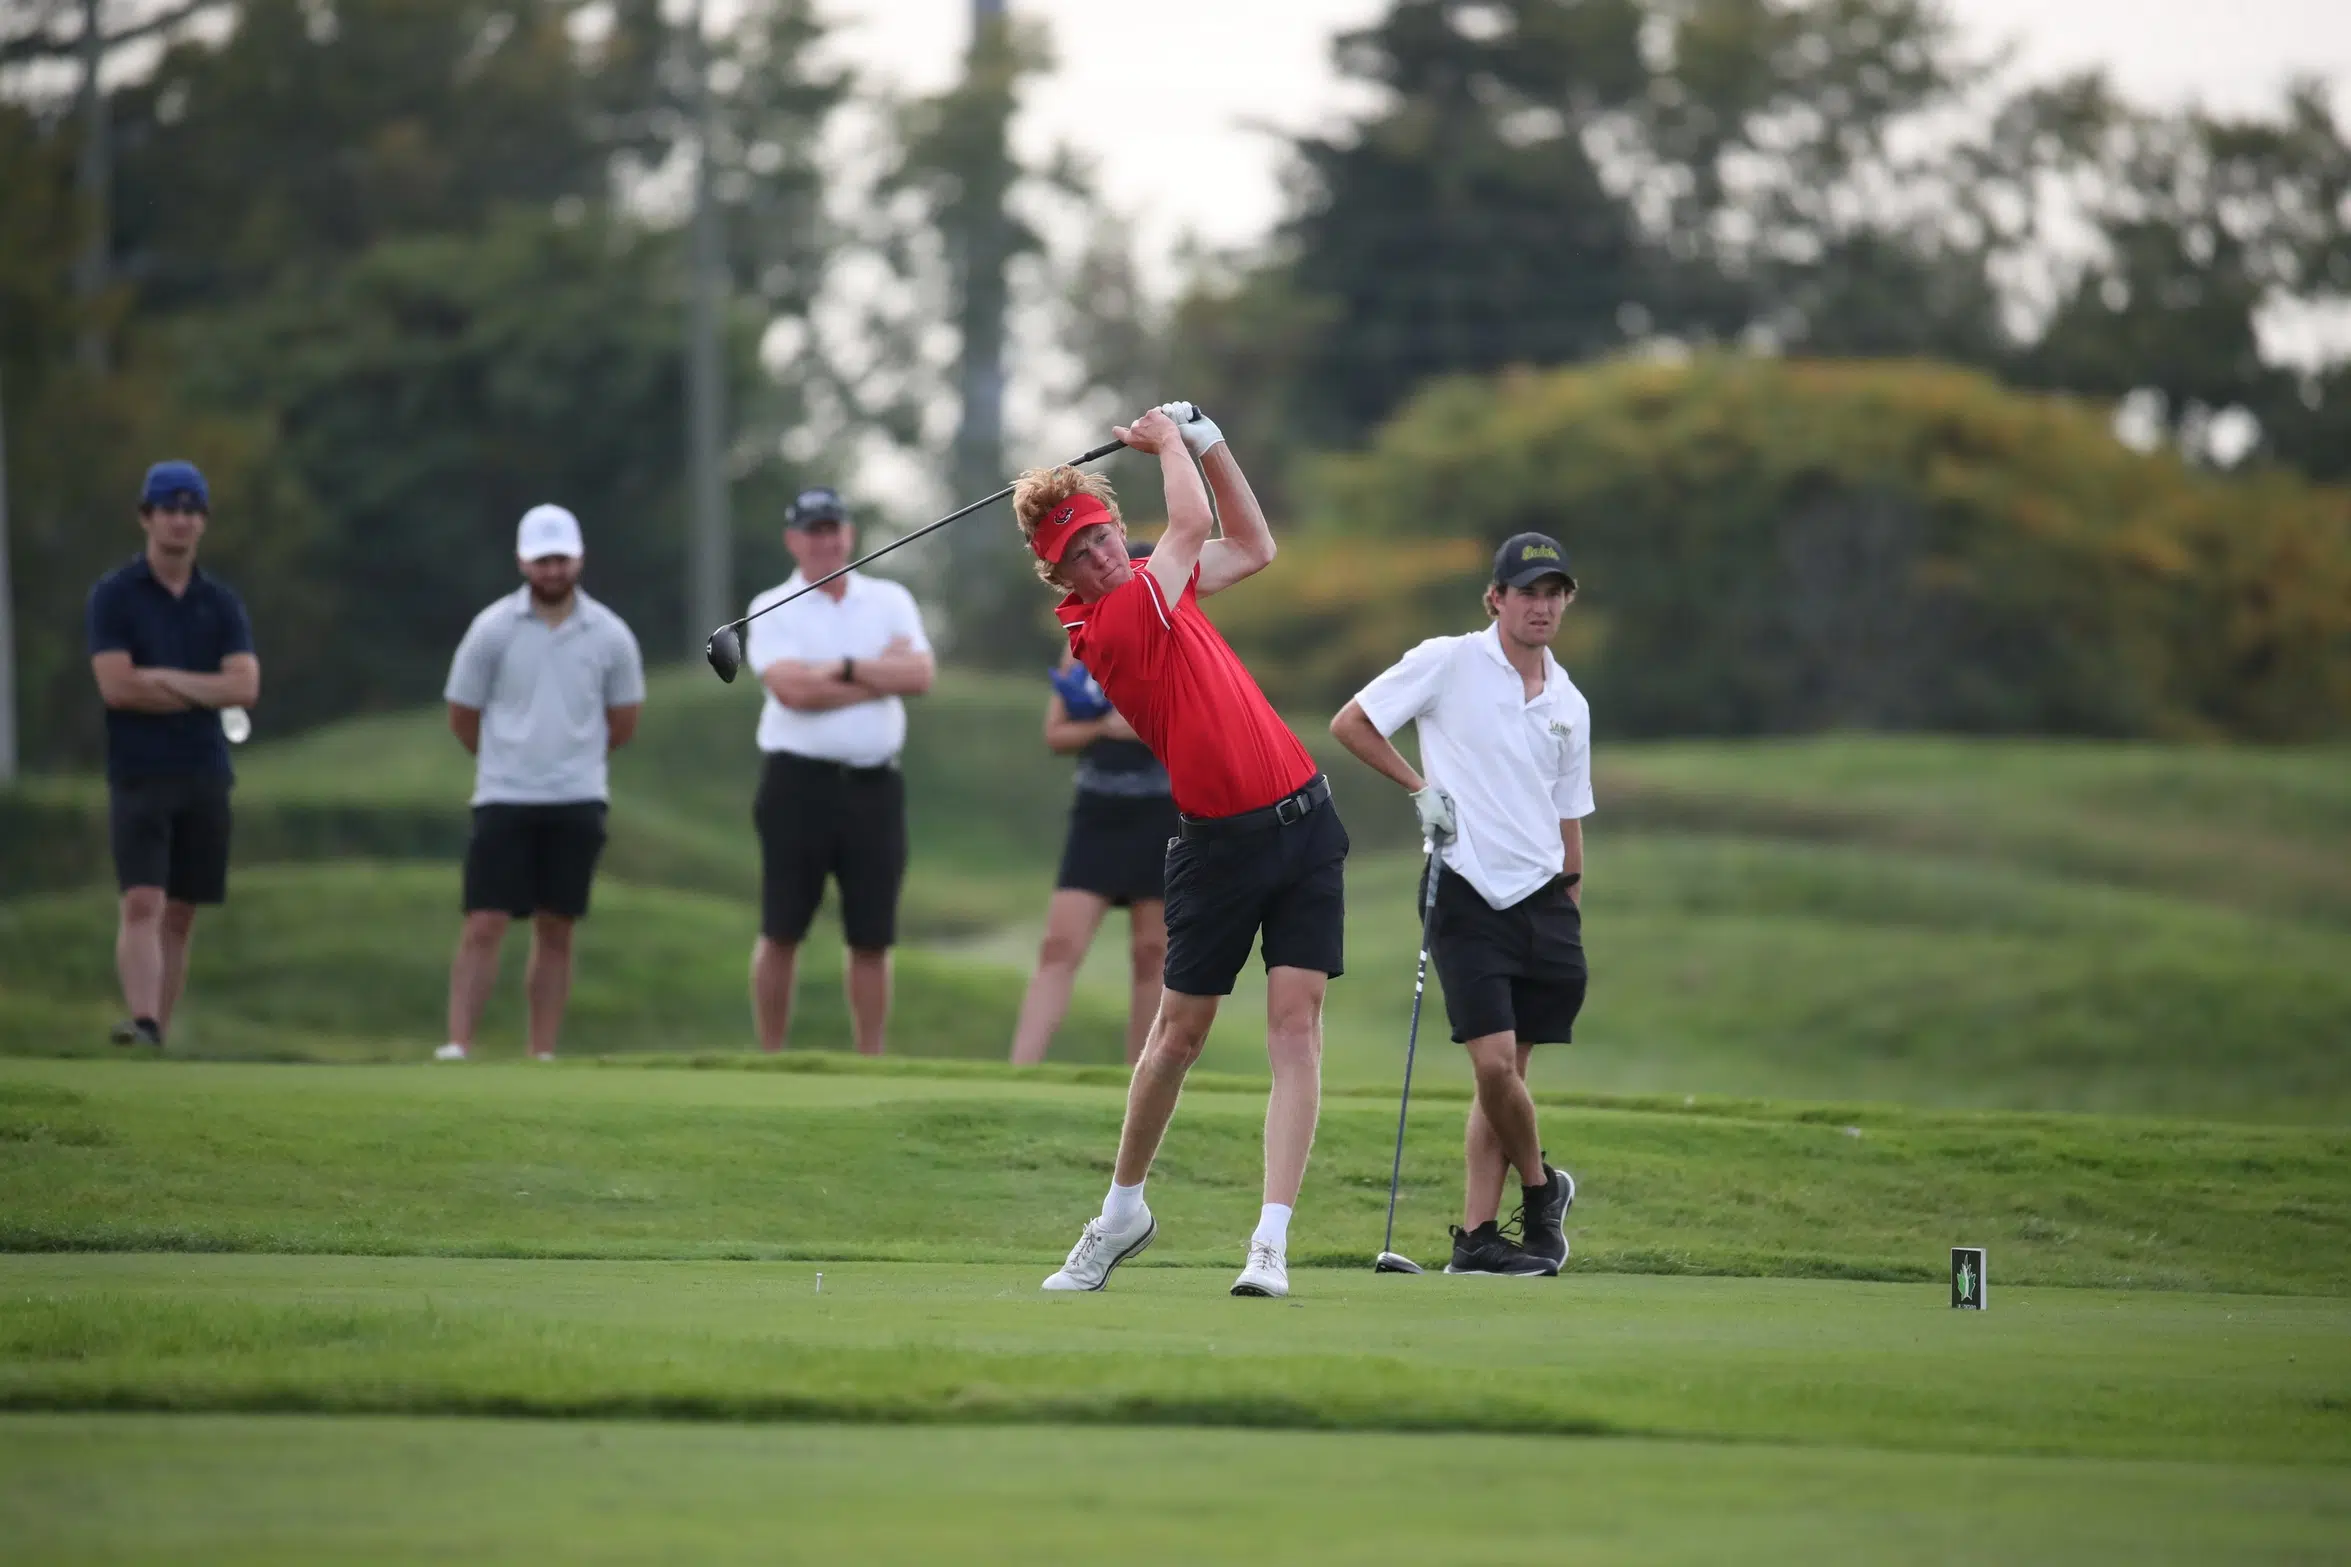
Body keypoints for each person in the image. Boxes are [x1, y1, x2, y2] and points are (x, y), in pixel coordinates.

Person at [1021, 403, 1348, 1300]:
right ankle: (1121, 1211)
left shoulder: (1159, 582)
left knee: (1295, 1025)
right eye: (1075, 558)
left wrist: (1207, 440)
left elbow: (1252, 540)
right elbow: (1194, 521)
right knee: (1177, 1036)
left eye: (1097, 539)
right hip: (1216, 850)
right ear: (1059, 580)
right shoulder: (1113, 624)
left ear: (1115, 529)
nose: (1093, 558)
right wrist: (1167, 441)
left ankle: (1269, 1242)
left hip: (1305, 821)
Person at [1329, 533, 1592, 1277]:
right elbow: (1352, 721)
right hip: (1466, 888)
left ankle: (1477, 1236)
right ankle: (1542, 1191)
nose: (1540, 605)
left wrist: (1571, 898)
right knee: (1492, 1066)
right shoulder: (1448, 661)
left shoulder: (1569, 701)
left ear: (1564, 600)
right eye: (1527, 592)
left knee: (1506, 1073)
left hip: (1545, 901)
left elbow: (1568, 812)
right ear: (1495, 599)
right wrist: (1421, 788)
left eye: (1553, 592)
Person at [435, 504, 645, 1062]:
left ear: (579, 559)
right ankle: (458, 1044)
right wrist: (507, 758)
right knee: (484, 921)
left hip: (577, 797)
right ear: (523, 563)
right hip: (504, 795)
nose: (553, 570)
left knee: (557, 926)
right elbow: (462, 712)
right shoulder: (493, 629)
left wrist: (575, 759)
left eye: (561, 559)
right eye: (542, 561)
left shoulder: (610, 634)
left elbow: (623, 718)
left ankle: (542, 1052)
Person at [746, 486, 936, 1056]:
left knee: (872, 936)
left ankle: (870, 1059)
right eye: (814, 531)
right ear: (793, 541)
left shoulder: (890, 599)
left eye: (834, 528)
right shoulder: (769, 606)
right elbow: (792, 691)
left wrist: (844, 668)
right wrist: (879, 678)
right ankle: (770, 1055)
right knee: (781, 928)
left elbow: (920, 676)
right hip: (796, 786)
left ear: (849, 534)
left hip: (874, 786)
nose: (826, 540)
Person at [85, 460, 260, 1048]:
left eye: (191, 511)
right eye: (170, 509)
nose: (181, 521)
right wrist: (199, 689)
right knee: (143, 898)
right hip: (139, 769)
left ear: (202, 522)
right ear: (147, 516)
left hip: (204, 769)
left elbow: (244, 687)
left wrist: (164, 680)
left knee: (181, 909)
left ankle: (156, 1030)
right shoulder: (115, 597)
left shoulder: (220, 603)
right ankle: (144, 1021)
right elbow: (117, 686)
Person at [1008, 540, 1176, 1068]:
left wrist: (1147, 725)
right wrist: (1106, 726)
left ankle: (1141, 1078)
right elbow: (1056, 734)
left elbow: (1201, 729)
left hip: (1163, 815)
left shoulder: (1179, 638)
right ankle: (1019, 1072)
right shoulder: (1081, 639)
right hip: (1099, 812)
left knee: (1152, 954)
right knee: (1060, 945)